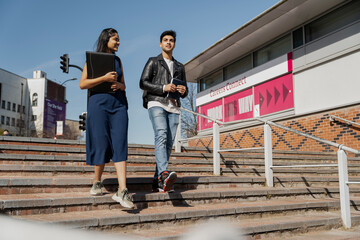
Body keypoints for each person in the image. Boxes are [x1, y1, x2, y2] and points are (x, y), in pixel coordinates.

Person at [80, 28, 133, 208]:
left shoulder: (118, 60)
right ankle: (97, 181)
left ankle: (122, 190)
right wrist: (103, 78)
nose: (118, 42)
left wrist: (119, 84)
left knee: (120, 143)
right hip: (98, 105)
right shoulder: (93, 59)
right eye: (115, 39)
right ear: (106, 39)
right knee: (101, 143)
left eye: (119, 39)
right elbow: (83, 84)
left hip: (118, 105)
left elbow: (124, 85)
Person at [140, 30, 188, 192]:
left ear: (174, 44)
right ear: (160, 44)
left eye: (172, 40)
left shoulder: (180, 66)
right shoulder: (153, 62)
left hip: (173, 106)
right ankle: (164, 174)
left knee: (168, 143)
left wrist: (183, 90)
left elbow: (186, 89)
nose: (169, 42)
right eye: (165, 40)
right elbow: (143, 82)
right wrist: (163, 87)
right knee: (161, 134)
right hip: (156, 102)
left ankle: (158, 182)